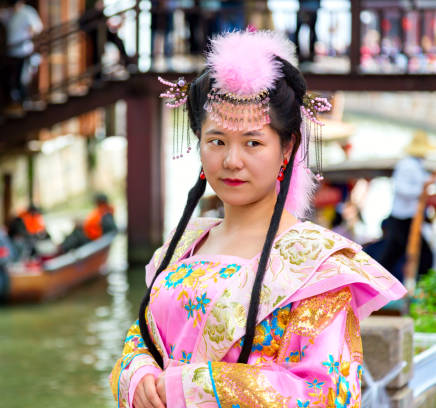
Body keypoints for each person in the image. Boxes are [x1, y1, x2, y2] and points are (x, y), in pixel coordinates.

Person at [110, 29, 406, 408]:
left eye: (253, 142)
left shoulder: (316, 264)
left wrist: (193, 386)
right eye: (216, 141)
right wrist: (137, 375)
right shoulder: (184, 243)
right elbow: (143, 337)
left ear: (287, 148)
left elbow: (326, 395)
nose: (232, 161)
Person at [379, 130, 436, 284]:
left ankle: (408, 287)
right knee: (392, 256)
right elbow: (401, 189)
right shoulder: (407, 165)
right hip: (401, 218)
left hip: (410, 218)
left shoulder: (417, 166)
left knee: (395, 255)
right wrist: (424, 189)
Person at [0, 0, 43, 116]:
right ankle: (13, 101)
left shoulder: (27, 12)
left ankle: (23, 103)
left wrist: (29, 33)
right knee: (6, 77)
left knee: (20, 79)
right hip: (11, 52)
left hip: (23, 51)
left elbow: (36, 27)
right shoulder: (11, 13)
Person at [79, 0, 130, 83]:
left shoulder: (97, 11)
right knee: (97, 52)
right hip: (95, 30)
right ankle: (97, 76)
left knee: (116, 42)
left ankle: (127, 62)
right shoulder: (89, 8)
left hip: (100, 28)